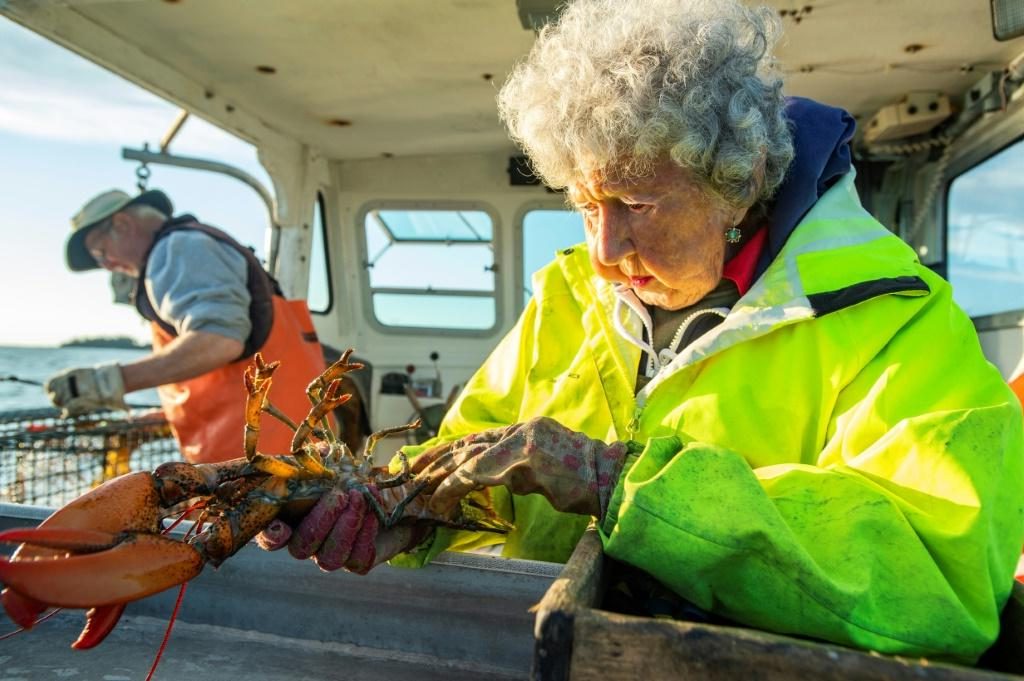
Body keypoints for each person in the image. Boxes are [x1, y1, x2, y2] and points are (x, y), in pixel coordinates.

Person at [257, 0, 1024, 664]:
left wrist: (618, 481)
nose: (602, 249)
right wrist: (403, 510)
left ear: (742, 177)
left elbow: (941, 576)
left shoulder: (893, 319)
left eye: (636, 203)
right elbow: (475, 458)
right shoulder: (567, 294)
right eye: (587, 204)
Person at [45, 189, 329, 463]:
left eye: (101, 252)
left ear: (122, 224)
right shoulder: (196, 246)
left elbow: (219, 340)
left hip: (262, 466)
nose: (106, 265)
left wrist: (108, 382)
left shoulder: (177, 248)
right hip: (298, 453)